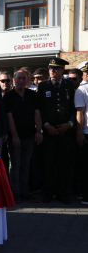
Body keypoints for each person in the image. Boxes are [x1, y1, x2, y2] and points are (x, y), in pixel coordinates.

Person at [38, 58, 75, 204]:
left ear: (62, 70)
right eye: (50, 68)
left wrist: (70, 124)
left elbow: (74, 108)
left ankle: (62, 193)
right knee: (48, 163)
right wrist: (46, 125)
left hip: (65, 130)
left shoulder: (69, 86)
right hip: (49, 131)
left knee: (64, 163)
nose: (52, 71)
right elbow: (39, 108)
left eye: (56, 69)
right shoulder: (43, 86)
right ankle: (48, 192)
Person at [4, 70, 43, 204]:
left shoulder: (33, 95)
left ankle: (24, 191)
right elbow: (9, 117)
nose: (21, 81)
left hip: (30, 136)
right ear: (14, 80)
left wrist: (39, 131)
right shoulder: (8, 96)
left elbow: (37, 113)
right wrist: (14, 136)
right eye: (18, 78)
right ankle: (15, 192)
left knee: (26, 165)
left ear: (27, 80)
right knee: (15, 165)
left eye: (23, 78)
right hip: (15, 137)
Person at [74, 72, 88, 205]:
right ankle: (86, 195)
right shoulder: (81, 90)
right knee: (85, 165)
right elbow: (80, 112)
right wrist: (79, 132)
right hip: (86, 131)